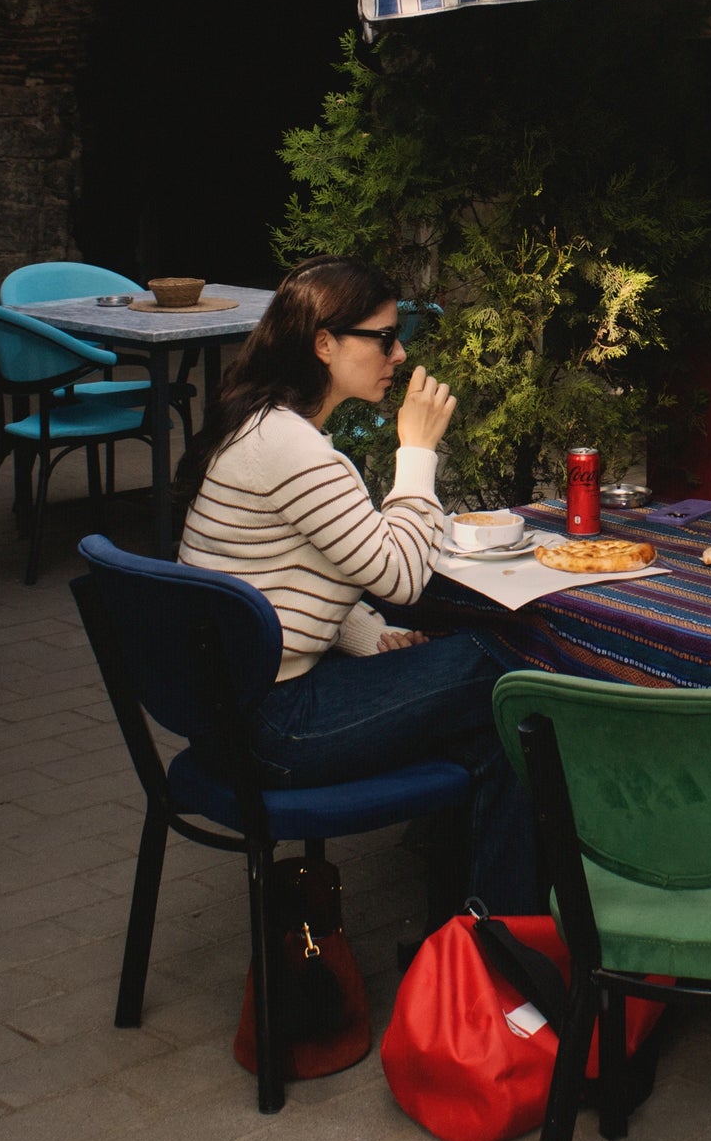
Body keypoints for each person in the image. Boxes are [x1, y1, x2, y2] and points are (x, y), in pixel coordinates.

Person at [177, 255, 534, 912]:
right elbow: (399, 576)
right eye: (383, 337)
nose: (397, 353)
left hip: (229, 712)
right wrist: (418, 450)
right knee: (508, 667)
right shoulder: (293, 448)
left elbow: (278, 571)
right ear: (324, 343)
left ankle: (480, 938)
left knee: (495, 734)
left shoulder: (255, 421)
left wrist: (369, 635)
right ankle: (504, 945)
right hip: (275, 726)